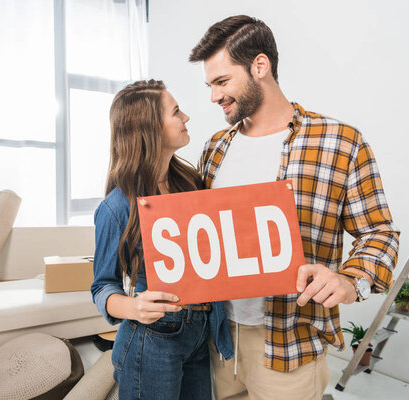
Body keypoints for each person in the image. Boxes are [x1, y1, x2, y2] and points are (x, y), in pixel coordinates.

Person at [188, 15, 400, 400]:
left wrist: (351, 280)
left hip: (288, 345)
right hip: (217, 339)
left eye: (221, 82)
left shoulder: (341, 142)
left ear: (260, 66)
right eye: (210, 85)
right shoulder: (215, 148)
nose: (214, 97)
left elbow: (379, 234)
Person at [90, 79, 234, 399]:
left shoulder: (191, 183)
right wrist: (132, 306)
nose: (186, 118)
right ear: (150, 128)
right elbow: (102, 286)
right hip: (152, 340)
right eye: (176, 112)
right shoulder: (116, 207)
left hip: (199, 334)